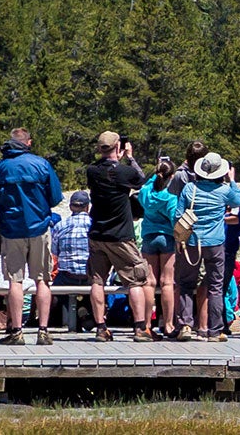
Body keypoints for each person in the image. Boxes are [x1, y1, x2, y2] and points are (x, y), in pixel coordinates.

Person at [0, 128, 63, 346]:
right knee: (42, 279)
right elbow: (56, 197)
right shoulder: (41, 164)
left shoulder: (1, 167)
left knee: (15, 280)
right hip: (39, 227)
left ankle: (17, 332)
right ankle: (43, 330)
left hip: (12, 229)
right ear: (28, 143)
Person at [82, 133, 153, 343]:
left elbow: (103, 168)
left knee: (97, 280)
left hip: (97, 233)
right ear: (118, 147)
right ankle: (140, 327)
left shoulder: (92, 171)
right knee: (136, 281)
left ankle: (101, 327)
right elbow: (141, 181)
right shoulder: (125, 172)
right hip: (121, 235)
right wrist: (129, 157)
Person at [179, 151, 240, 340]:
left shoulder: (190, 189)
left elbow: (178, 214)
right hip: (215, 242)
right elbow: (238, 201)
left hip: (192, 241)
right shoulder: (224, 191)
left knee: (186, 284)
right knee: (215, 286)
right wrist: (232, 180)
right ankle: (215, 330)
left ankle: (185, 325)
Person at [139, 157, 182, 338]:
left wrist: (155, 172)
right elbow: (174, 219)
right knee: (167, 282)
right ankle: (169, 324)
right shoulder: (170, 196)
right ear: (171, 176)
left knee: (149, 282)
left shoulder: (146, 192)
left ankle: (147, 324)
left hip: (149, 235)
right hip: (166, 237)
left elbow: (146, 185)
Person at [52, 190, 94, 330]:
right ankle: (84, 310)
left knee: (55, 285)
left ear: (70, 207)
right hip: (89, 275)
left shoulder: (60, 226)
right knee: (97, 282)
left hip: (68, 276)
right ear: (87, 207)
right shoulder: (93, 224)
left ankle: (73, 315)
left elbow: (55, 252)